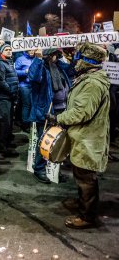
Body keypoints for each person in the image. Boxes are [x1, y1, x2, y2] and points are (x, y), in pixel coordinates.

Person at [51, 43, 109, 229]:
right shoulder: (88, 78)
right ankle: (85, 204)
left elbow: (81, 112)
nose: (74, 60)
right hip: (83, 136)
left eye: (78, 57)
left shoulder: (92, 83)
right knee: (81, 174)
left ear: (87, 61)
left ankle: (88, 216)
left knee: (85, 178)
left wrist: (58, 118)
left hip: (88, 138)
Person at [28, 48, 72, 184]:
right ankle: (39, 169)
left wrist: (74, 54)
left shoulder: (59, 66)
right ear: (48, 56)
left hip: (62, 110)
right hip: (47, 112)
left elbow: (72, 70)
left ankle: (55, 171)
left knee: (59, 142)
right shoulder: (41, 67)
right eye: (54, 54)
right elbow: (33, 76)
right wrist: (38, 58)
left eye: (57, 55)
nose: (56, 57)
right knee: (46, 141)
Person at [0, 44, 19, 153]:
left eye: (10, 49)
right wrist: (10, 90)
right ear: (1, 52)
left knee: (9, 121)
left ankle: (5, 142)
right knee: (5, 121)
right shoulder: (1, 63)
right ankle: (1, 144)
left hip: (10, 96)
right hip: (4, 97)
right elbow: (1, 80)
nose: (9, 51)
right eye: (6, 50)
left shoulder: (9, 62)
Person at [15, 49, 36, 130]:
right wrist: (25, 71)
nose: (32, 52)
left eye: (33, 50)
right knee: (26, 105)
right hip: (24, 85)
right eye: (30, 50)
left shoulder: (36, 59)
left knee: (33, 104)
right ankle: (25, 124)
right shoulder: (20, 59)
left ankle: (32, 123)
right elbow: (15, 72)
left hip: (34, 85)